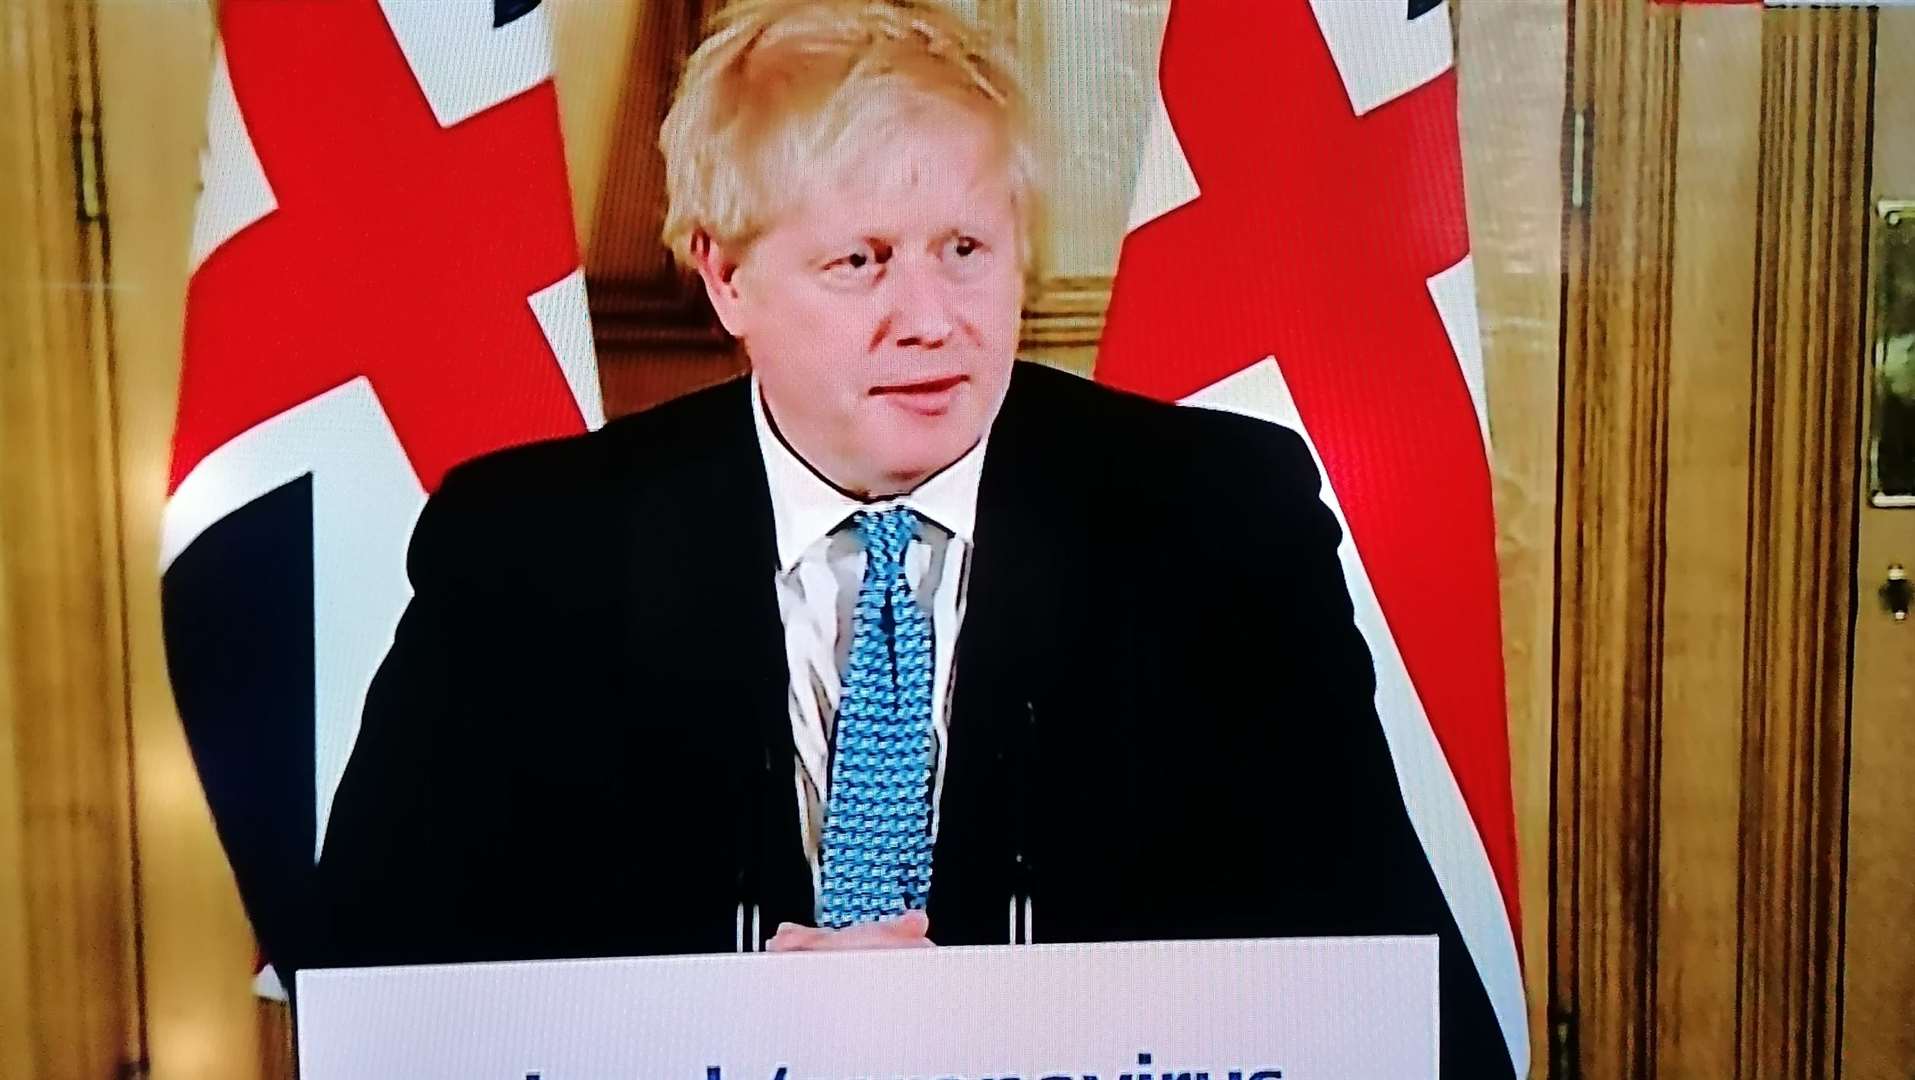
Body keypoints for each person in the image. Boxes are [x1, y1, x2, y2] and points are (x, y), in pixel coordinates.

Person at [304, 0, 1509, 1074]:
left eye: (965, 253)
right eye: (860, 262)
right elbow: (382, 989)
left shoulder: (1215, 516)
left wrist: (986, 1019)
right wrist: (731, 1023)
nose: (929, 322)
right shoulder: (526, 549)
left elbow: (1374, 978)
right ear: (724, 278)